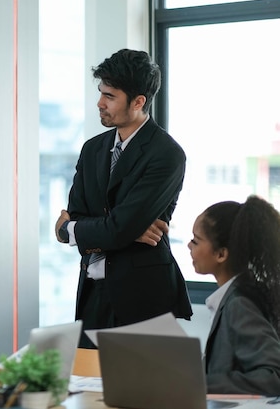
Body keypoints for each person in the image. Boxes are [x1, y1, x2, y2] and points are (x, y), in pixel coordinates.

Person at [54, 48, 192, 348]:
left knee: (139, 393)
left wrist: (71, 230)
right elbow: (94, 220)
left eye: (110, 96)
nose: (100, 103)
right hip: (92, 294)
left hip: (142, 298)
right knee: (87, 389)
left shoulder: (166, 154)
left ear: (139, 101)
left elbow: (97, 227)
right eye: (101, 92)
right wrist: (118, 230)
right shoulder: (92, 149)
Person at [188, 196, 280, 395]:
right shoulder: (237, 295)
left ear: (221, 254)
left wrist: (198, 383)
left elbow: (273, 377)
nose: (189, 245)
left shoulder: (239, 304)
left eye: (196, 240)